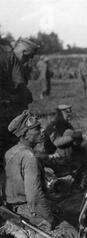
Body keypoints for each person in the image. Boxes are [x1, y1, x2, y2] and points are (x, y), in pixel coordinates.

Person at [2, 110, 78, 238]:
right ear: (25, 135)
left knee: (62, 211)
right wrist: (49, 220)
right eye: (36, 128)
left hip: (11, 209)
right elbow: (34, 196)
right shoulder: (30, 158)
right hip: (29, 209)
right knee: (73, 235)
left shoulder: (10, 152)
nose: (42, 130)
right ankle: (29, 236)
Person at [0, 38, 40, 169]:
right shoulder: (12, 59)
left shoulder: (4, 55)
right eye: (28, 57)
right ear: (23, 52)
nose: (28, 62)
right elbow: (21, 88)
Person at [40, 104, 86, 177]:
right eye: (67, 112)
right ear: (61, 113)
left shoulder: (65, 124)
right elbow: (57, 142)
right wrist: (73, 136)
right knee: (69, 132)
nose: (69, 114)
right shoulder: (54, 125)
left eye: (69, 112)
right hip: (53, 154)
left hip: (62, 153)